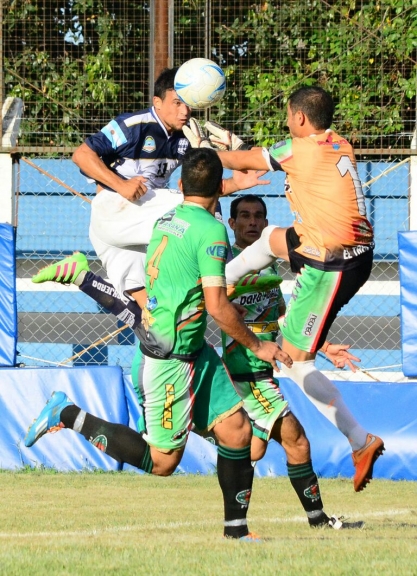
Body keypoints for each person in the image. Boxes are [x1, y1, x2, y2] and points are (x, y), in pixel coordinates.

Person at [25, 148, 292, 541]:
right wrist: (258, 345)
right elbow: (217, 305)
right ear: (219, 189)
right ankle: (67, 413)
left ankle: (237, 533)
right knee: (163, 462)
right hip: (169, 358)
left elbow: (191, 284)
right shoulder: (211, 229)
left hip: (192, 348)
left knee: (239, 433)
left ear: (180, 185)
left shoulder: (167, 218)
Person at [191, 85, 384, 492]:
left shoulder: (299, 149)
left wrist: (202, 153)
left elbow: (240, 160)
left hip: (331, 263)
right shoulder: (337, 142)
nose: (286, 122)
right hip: (341, 248)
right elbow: (262, 157)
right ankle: (219, 282)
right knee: (269, 239)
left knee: (296, 363)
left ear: (299, 118)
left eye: (287, 116)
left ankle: (360, 440)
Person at [31, 67, 269, 313]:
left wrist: (236, 183)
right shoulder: (133, 125)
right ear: (157, 102)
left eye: (188, 104)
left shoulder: (186, 135)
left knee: (147, 313)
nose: (185, 111)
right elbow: (81, 155)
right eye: (177, 103)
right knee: (201, 211)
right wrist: (121, 185)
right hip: (116, 208)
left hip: (126, 225)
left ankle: (80, 275)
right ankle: (229, 274)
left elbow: (205, 185)